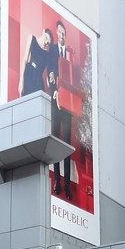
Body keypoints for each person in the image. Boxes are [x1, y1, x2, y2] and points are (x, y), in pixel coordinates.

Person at [49, 20, 74, 200]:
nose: (61, 35)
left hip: (68, 105)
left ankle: (66, 185)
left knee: (65, 145)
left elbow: (74, 78)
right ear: (57, 33)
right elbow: (50, 72)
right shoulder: (52, 50)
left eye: (64, 33)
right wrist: (55, 90)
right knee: (56, 143)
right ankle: (57, 181)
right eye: (59, 32)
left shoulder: (70, 55)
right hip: (55, 102)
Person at [19, 27, 53, 96]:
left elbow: (47, 76)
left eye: (48, 43)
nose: (46, 42)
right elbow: (25, 59)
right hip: (29, 74)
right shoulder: (32, 38)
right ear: (43, 31)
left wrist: (51, 75)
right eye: (46, 38)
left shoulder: (47, 54)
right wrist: (21, 80)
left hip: (39, 81)